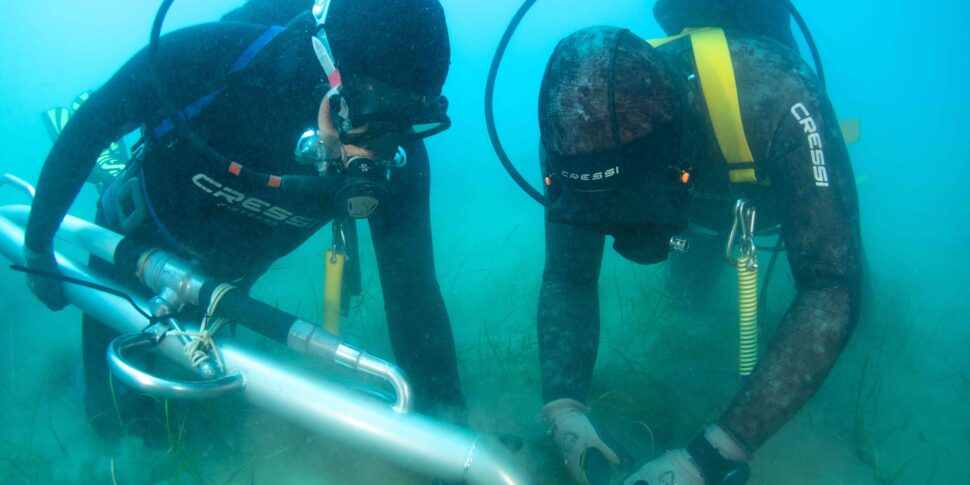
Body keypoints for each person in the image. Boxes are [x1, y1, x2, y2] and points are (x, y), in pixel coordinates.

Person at [23, 0, 466, 442]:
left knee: (196, 426)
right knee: (112, 422)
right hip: (132, 244)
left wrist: (449, 426)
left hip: (223, 286)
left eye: (409, 120)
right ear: (326, 62)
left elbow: (414, 295)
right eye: (374, 113)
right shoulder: (216, 57)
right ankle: (111, 170)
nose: (384, 149)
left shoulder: (397, 158)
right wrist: (38, 246)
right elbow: (89, 126)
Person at [534, 1, 863, 483]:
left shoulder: (778, 93)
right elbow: (568, 273)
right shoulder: (576, 127)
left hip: (761, 190)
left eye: (630, 202)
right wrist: (565, 412)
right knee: (686, 301)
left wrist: (712, 457)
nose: (620, 229)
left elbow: (831, 284)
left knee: (848, 276)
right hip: (696, 202)